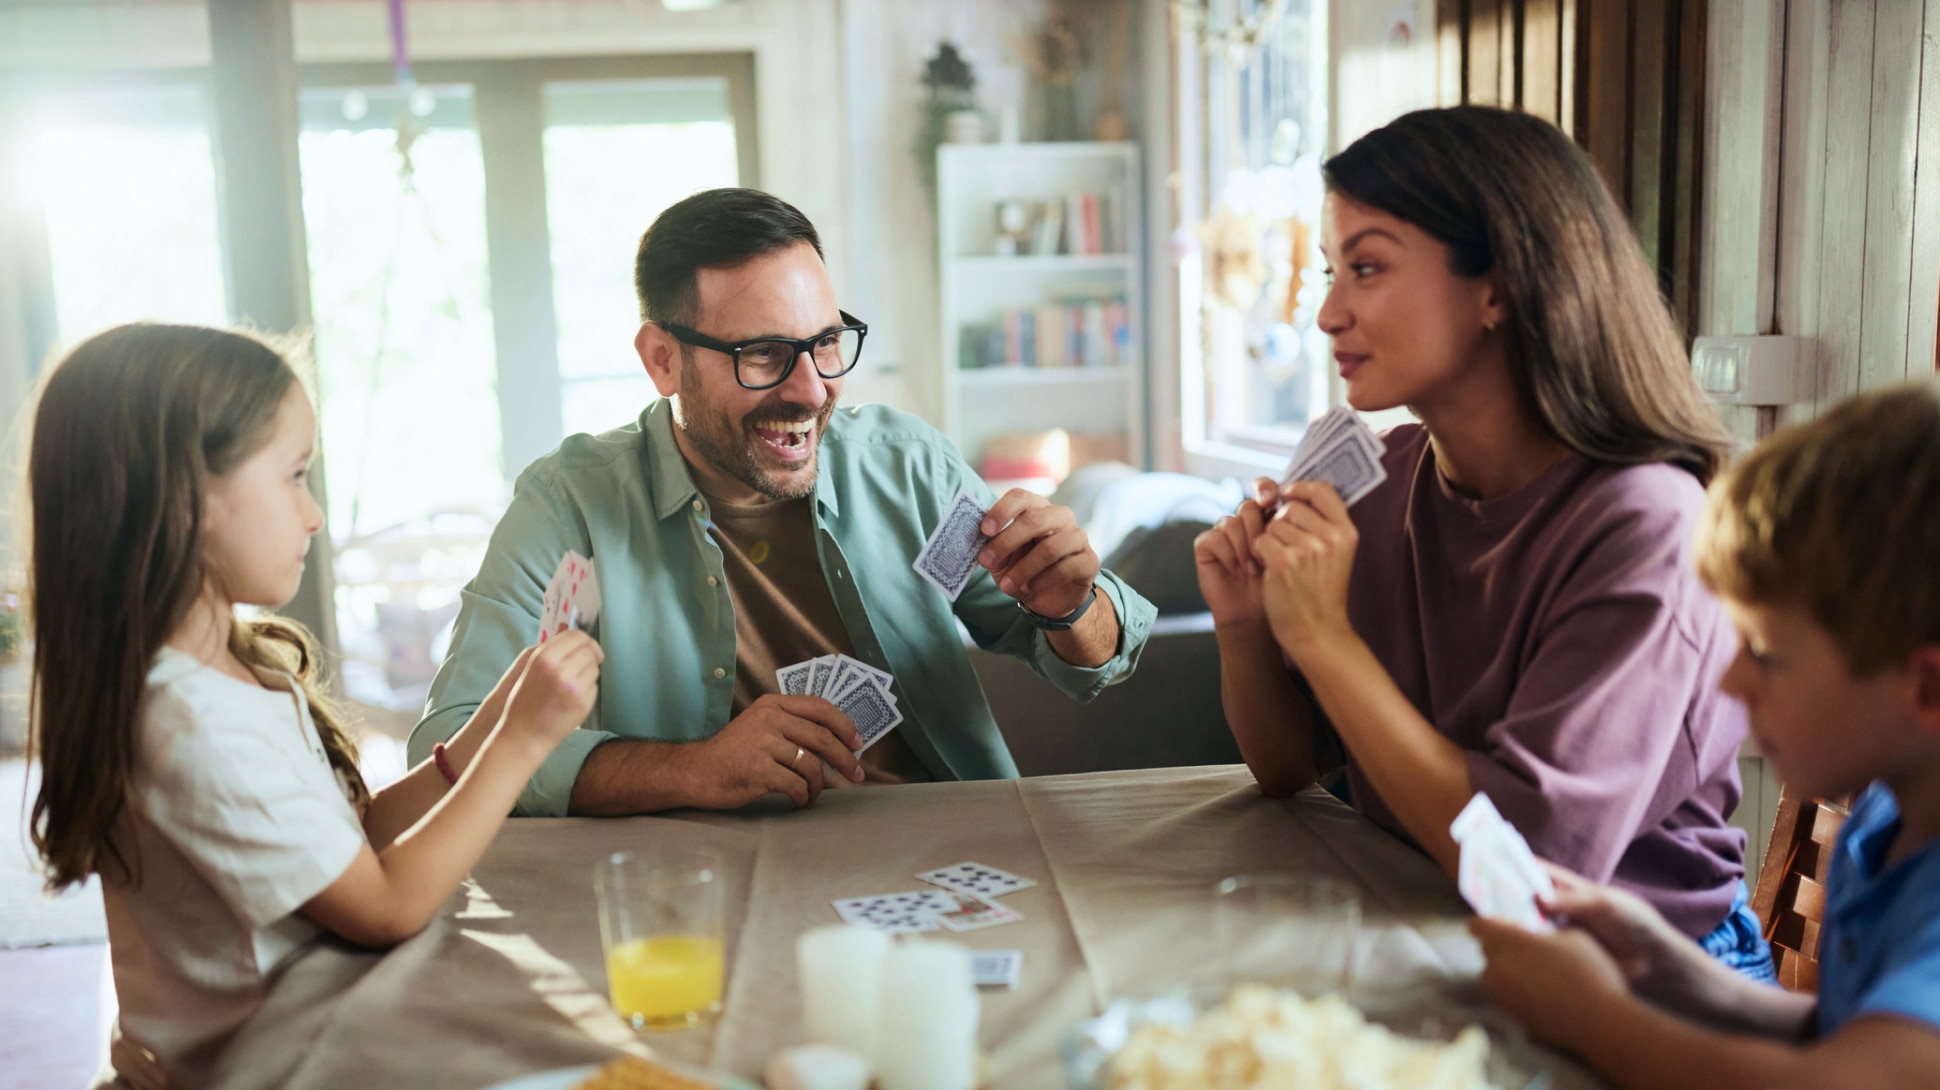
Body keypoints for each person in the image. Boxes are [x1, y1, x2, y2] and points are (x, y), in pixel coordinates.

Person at [1194, 106, 1766, 971]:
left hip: (1644, 974)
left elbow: (1528, 871)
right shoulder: (1383, 472)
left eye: (1368, 267)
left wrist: (1322, 637)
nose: (1328, 315)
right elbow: (1290, 767)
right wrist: (1247, 624)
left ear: (1497, 286)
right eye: (1329, 272)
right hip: (1422, 917)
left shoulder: (1647, 528)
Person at [409, 187, 1155, 816]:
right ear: (662, 360)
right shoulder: (570, 503)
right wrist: (694, 771)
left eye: (826, 343)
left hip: (943, 851)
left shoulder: (906, 470)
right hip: (697, 883)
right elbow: (451, 742)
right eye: (763, 354)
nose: (811, 391)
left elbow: (1087, 663)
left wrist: (1069, 607)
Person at [25, 325, 603, 1089]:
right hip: (251, 1067)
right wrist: (521, 745)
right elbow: (387, 905)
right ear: (184, 500)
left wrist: (492, 721)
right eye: (294, 476)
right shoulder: (187, 721)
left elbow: (346, 846)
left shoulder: (232, 666)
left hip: (320, 1025)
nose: (315, 516)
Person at [1470, 383, 1940, 1088]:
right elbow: (1860, 1035)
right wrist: (1670, 968)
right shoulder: (1888, 823)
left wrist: (1592, 1014)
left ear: (1927, 689)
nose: (1730, 684)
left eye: (1766, 654)